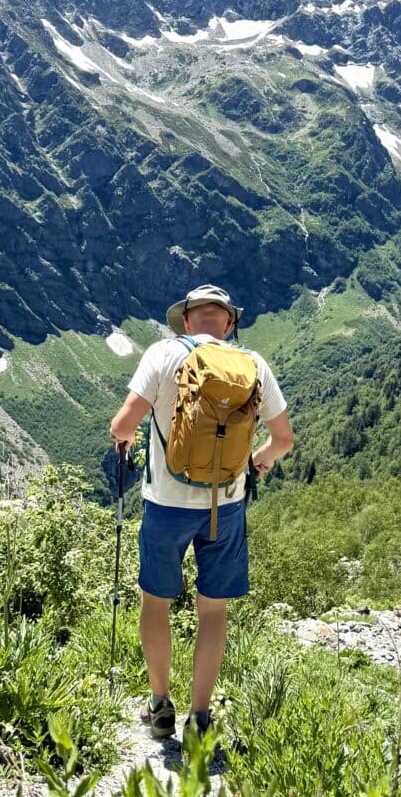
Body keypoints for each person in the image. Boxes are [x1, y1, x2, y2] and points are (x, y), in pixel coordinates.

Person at [108, 284, 294, 743]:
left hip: (166, 505)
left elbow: (122, 424)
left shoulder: (163, 353)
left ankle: (159, 706)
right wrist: (259, 462)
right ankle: (201, 717)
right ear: (229, 324)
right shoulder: (253, 365)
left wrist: (126, 440)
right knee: (212, 612)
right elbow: (284, 439)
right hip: (225, 507)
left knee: (156, 603)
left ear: (187, 320)